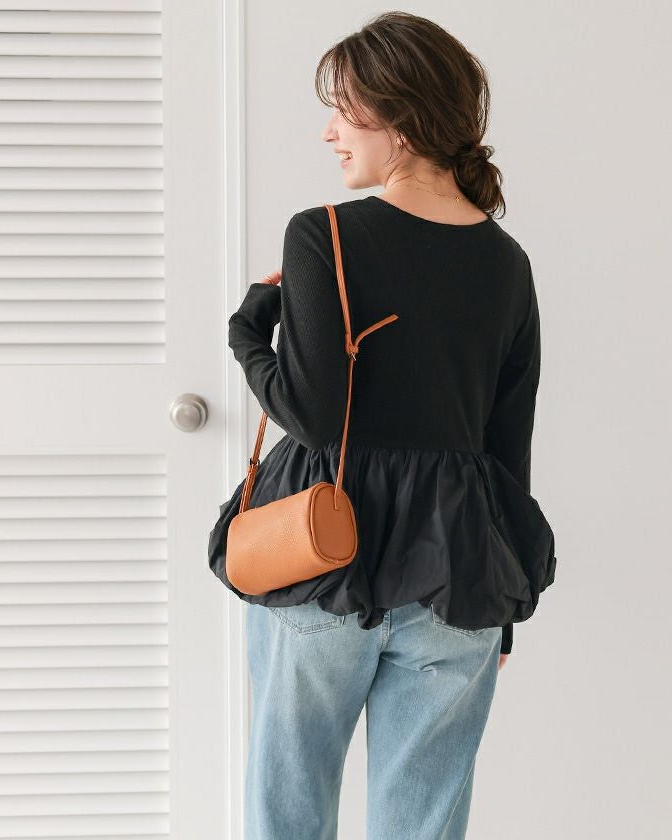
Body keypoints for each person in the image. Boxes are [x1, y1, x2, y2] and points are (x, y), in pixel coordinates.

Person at [208, 11, 556, 840]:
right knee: (424, 825)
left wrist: (248, 331)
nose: (329, 132)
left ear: (399, 116)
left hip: (322, 556)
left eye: (343, 109)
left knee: (288, 815)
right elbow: (508, 448)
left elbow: (313, 416)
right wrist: (504, 606)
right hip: (458, 569)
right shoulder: (507, 263)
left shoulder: (326, 234)